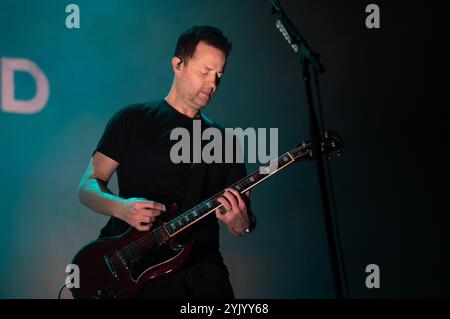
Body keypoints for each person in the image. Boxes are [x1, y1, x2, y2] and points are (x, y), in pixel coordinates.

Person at [77, 25, 256, 299]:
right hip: (141, 268)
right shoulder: (133, 119)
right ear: (178, 64)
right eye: (205, 71)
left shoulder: (226, 141)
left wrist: (240, 224)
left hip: (204, 274)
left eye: (219, 75)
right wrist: (122, 208)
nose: (212, 84)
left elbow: (241, 221)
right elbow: (87, 186)